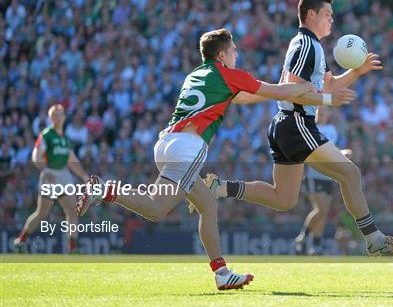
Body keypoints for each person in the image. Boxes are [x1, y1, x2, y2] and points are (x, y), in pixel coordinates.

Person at [76, 28, 352, 290]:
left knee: (208, 205)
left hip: (166, 142)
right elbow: (281, 92)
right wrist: (320, 94)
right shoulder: (230, 75)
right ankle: (104, 190)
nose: (237, 53)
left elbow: (245, 97)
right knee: (156, 208)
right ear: (221, 55)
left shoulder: (197, 74)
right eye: (233, 49)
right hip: (188, 148)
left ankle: (222, 274)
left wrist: (285, 90)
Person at [204, 0, 393, 256]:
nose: (332, 20)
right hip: (296, 121)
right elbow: (292, 87)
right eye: (328, 14)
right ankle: (375, 239)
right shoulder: (306, 44)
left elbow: (329, 85)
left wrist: (356, 72)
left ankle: (221, 187)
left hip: (285, 124)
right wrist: (327, 99)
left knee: (284, 199)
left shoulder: (312, 46)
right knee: (350, 174)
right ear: (311, 14)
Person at [13, 104, 89, 253]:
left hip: (64, 174)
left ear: (64, 117)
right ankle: (20, 241)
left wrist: (85, 177)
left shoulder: (65, 138)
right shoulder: (46, 135)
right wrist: (45, 170)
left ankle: (72, 249)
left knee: (72, 211)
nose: (59, 116)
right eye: (55, 114)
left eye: (61, 114)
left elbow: (72, 160)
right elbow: (36, 156)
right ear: (50, 117)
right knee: (42, 213)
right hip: (50, 174)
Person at [294, 106, 351, 255]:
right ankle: (302, 237)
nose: (323, 113)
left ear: (329, 114)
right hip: (314, 174)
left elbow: (331, 149)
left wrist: (341, 153)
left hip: (328, 175)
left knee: (323, 212)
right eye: (320, 111)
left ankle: (315, 245)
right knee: (321, 209)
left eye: (325, 111)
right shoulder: (313, 128)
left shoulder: (332, 129)